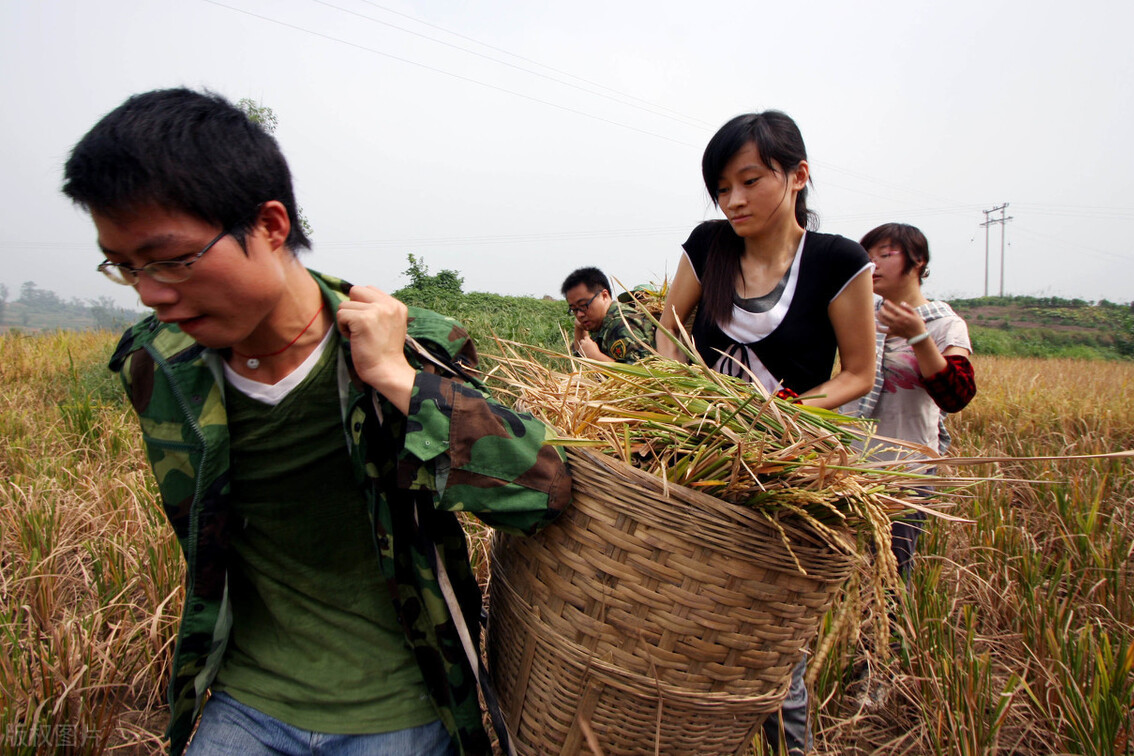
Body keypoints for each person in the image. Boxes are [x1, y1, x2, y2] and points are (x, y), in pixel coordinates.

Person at [62, 88, 572, 756]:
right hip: (246, 703)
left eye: (174, 259)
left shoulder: (416, 345)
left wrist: (396, 381)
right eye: (125, 267)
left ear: (271, 226)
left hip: (402, 706)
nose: (152, 293)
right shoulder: (158, 367)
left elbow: (541, 493)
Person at [655, 111, 876, 755]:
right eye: (722, 188)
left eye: (750, 180)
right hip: (694, 461)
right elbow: (670, 332)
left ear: (798, 175)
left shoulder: (837, 261)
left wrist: (784, 419)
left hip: (780, 472)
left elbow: (857, 374)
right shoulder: (708, 244)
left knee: (773, 648)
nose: (733, 200)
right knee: (683, 620)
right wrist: (676, 402)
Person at [842, 222, 976, 577]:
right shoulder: (859, 316)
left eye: (886, 255)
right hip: (846, 466)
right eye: (868, 258)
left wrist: (918, 337)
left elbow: (957, 395)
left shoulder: (944, 326)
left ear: (918, 262)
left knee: (888, 574)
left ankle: (889, 635)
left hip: (904, 474)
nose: (874, 266)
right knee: (838, 572)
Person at [561, 266, 655, 363]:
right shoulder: (600, 323)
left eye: (583, 305)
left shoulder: (621, 324)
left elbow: (640, 374)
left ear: (604, 296)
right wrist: (579, 328)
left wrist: (596, 357)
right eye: (574, 309)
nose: (579, 314)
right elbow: (581, 358)